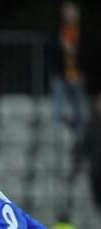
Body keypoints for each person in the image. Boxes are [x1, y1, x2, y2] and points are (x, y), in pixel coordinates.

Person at [50, 1, 89, 133]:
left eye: (73, 14)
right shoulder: (58, 31)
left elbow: (86, 54)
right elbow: (52, 53)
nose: (71, 17)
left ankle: (79, 126)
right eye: (68, 14)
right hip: (60, 73)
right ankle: (56, 127)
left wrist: (72, 50)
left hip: (76, 73)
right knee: (58, 101)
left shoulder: (81, 32)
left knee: (78, 102)